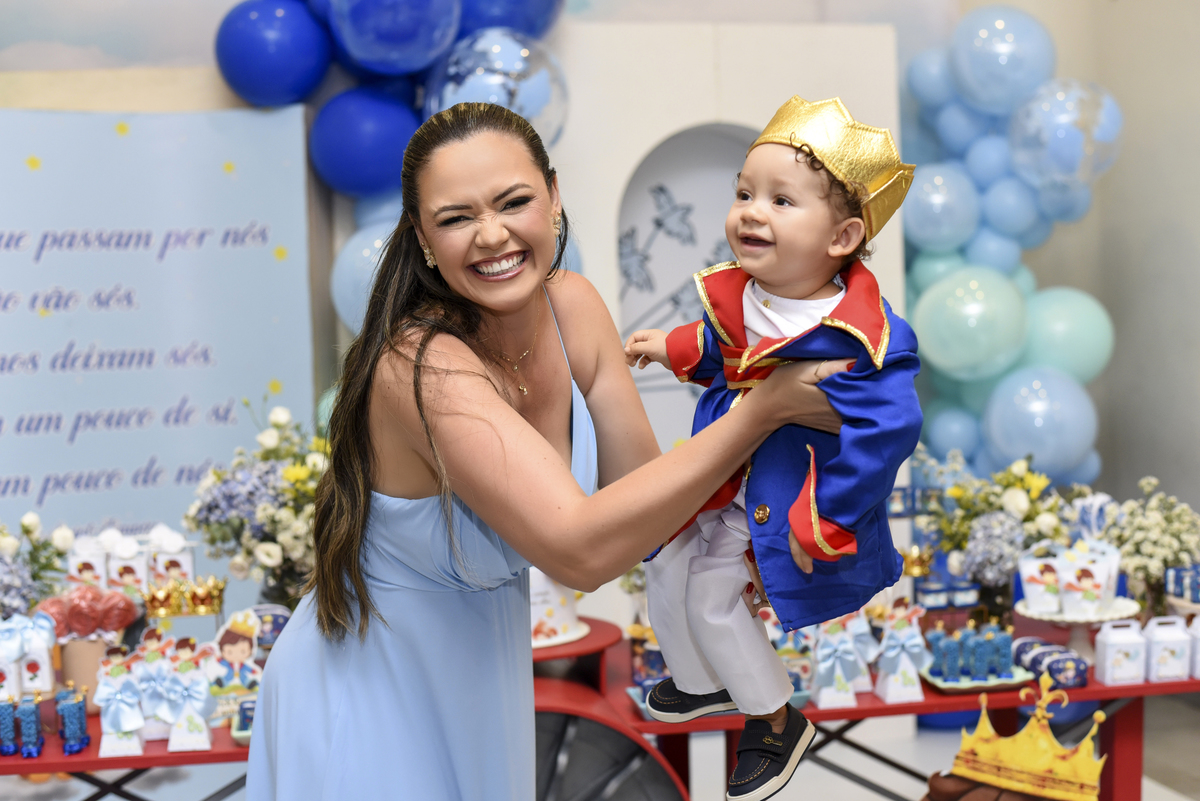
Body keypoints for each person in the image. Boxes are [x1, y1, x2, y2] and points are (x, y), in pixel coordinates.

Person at [247, 103, 846, 801]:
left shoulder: (574, 309)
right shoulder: (420, 365)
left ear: (554, 197)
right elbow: (579, 553)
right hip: (365, 691)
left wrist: (751, 533)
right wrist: (760, 413)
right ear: (422, 236)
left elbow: (650, 511)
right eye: (456, 217)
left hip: (482, 678)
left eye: (514, 202)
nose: (492, 235)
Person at [624, 96, 923, 800]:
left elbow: (887, 430)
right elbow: (721, 346)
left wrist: (832, 515)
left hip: (787, 495)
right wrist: (671, 347)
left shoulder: (865, 336)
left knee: (711, 594)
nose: (751, 212)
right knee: (663, 561)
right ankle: (700, 682)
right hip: (724, 471)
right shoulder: (745, 295)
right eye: (744, 194)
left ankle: (773, 720)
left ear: (842, 236)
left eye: (780, 200)